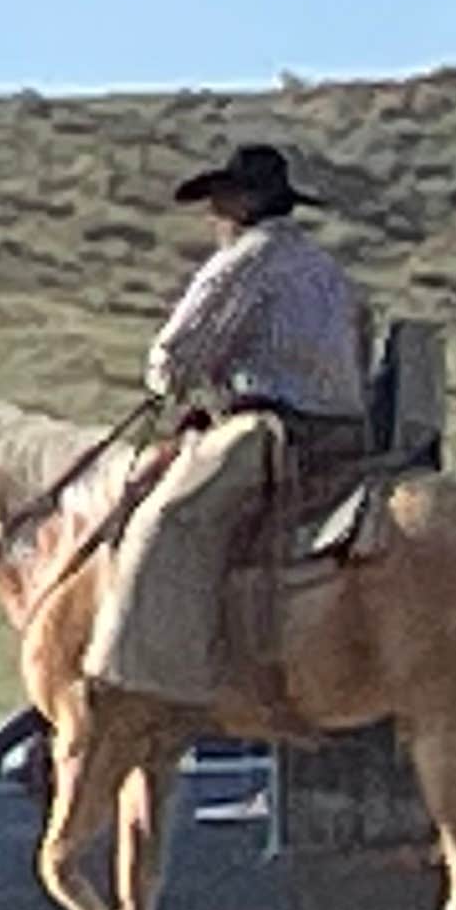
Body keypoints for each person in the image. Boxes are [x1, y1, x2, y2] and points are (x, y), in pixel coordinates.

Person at [83, 143, 373, 707]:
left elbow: (173, 360)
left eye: (219, 201)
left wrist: (177, 385)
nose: (213, 214)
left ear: (244, 203)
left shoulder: (246, 262)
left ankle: (149, 678)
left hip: (276, 430)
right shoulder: (327, 270)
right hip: (347, 435)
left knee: (167, 518)